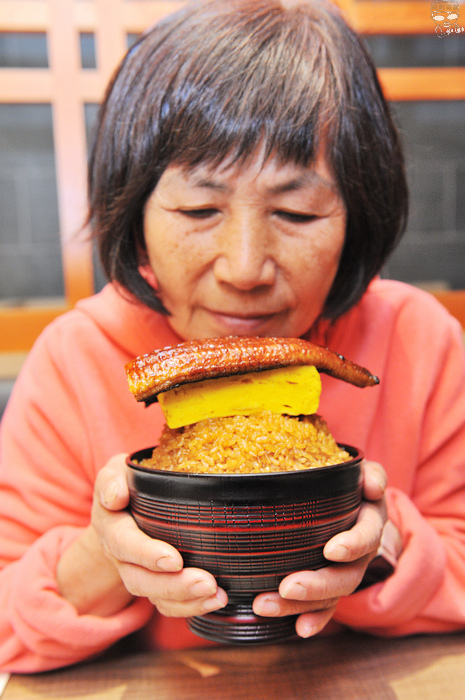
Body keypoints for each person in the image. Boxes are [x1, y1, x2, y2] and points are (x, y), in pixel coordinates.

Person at [1, 0, 465, 674]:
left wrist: (381, 543)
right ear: (133, 213)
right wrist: (107, 558)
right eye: (198, 208)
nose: (245, 268)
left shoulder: (415, 338)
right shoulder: (76, 358)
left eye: (295, 211)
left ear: (356, 217)